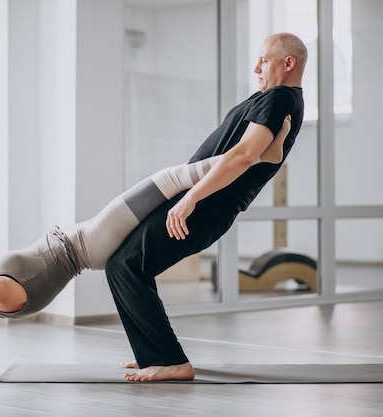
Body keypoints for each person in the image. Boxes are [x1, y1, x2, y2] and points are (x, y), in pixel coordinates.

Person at [0, 123, 290, 376]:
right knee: (170, 180)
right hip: (89, 242)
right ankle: (260, 157)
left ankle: (251, 159)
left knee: (170, 181)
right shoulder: (3, 297)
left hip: (87, 239)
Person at [105, 32, 308, 382]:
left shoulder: (278, 99)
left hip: (207, 206)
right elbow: (253, 153)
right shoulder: (273, 98)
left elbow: (244, 157)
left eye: (264, 59)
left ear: (288, 63)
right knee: (125, 265)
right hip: (202, 202)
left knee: (126, 265)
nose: (256, 67)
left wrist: (191, 198)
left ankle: (171, 361)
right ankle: (153, 355)